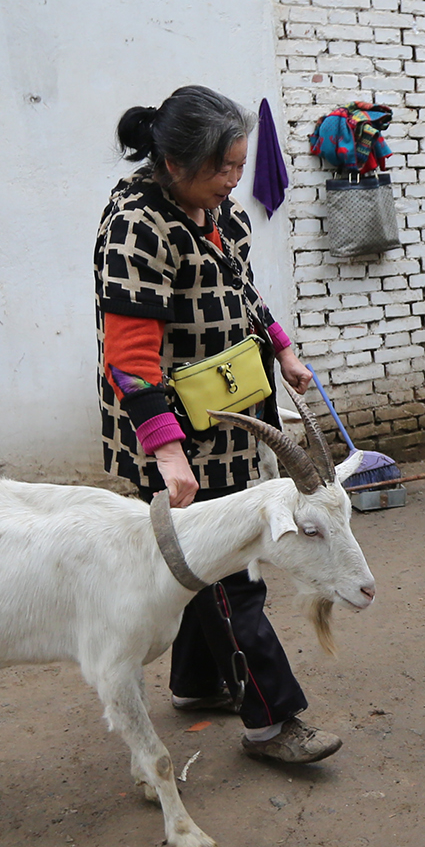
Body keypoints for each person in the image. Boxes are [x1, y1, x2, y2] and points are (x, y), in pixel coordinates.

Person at [95, 85, 341, 765]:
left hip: (232, 416)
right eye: (222, 169)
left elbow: (242, 291)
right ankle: (274, 719)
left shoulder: (217, 212)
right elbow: (131, 359)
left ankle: (197, 683)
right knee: (231, 570)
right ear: (174, 164)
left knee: (199, 562)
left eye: (238, 165)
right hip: (173, 434)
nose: (234, 181)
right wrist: (169, 455)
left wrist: (283, 347)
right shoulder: (135, 227)